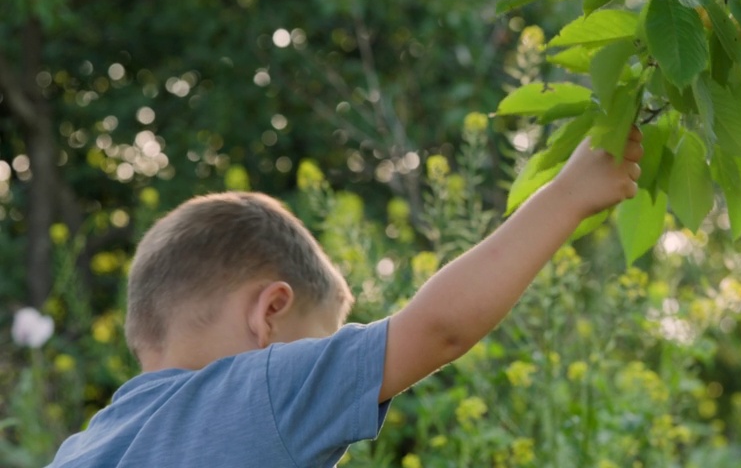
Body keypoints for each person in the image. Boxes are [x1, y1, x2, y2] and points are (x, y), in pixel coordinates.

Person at [49, 129, 644, 467]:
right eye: (319, 346)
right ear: (270, 314)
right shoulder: (260, 391)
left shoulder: (82, 449)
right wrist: (569, 194)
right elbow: (438, 329)